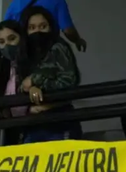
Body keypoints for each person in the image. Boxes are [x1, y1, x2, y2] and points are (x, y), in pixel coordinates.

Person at [19, 6, 82, 143]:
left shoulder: (58, 47)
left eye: (43, 26)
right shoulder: (25, 53)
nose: (38, 31)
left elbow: (69, 81)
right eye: (32, 27)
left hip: (60, 123)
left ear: (51, 28)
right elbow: (21, 85)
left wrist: (36, 80)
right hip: (33, 125)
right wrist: (32, 88)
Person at [0, 20, 30, 145]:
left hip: (36, 129)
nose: (7, 45)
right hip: (13, 132)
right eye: (2, 42)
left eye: (12, 38)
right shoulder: (3, 70)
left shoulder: (34, 63)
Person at [5, 0, 86, 52]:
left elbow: (7, 30)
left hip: (25, 51)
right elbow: (68, 30)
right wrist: (77, 40)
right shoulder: (57, 1)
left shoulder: (15, 3)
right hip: (49, 50)